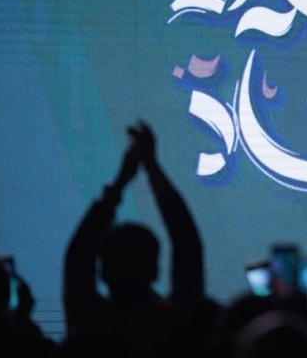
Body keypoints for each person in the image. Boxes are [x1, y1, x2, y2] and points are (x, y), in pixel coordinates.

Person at [62, 120, 218, 358]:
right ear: (154, 271)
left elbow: (78, 257)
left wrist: (119, 183)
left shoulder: (87, 328)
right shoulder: (178, 327)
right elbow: (187, 243)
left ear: (104, 273)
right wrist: (152, 167)